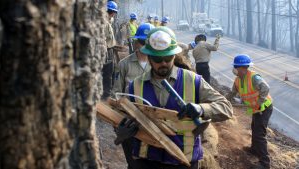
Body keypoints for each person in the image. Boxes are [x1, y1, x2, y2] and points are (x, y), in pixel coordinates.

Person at [114, 27, 233, 169]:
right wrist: (121, 131)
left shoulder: (193, 80)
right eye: (158, 59)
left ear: (174, 55)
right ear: (149, 57)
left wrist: (201, 108)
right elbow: (122, 119)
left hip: (184, 161)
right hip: (147, 162)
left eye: (168, 58)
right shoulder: (135, 87)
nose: (163, 63)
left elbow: (226, 108)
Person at [113, 23, 155, 169]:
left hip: (153, 122)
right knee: (134, 162)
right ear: (136, 42)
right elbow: (116, 93)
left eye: (148, 42)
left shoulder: (157, 65)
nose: (144, 46)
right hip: (130, 122)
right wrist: (117, 122)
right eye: (142, 42)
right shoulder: (124, 65)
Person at [226, 54, 273, 169]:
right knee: (254, 128)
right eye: (235, 66)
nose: (234, 69)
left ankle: (264, 163)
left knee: (259, 135)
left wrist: (259, 102)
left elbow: (265, 88)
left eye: (236, 67)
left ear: (243, 68)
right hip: (256, 109)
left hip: (264, 108)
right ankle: (254, 149)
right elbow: (232, 93)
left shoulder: (254, 77)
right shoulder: (237, 80)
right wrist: (224, 101)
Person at [102, 1, 118, 100]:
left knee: (111, 72)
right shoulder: (104, 22)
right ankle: (106, 95)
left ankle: (108, 92)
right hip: (107, 50)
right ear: (112, 12)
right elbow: (103, 38)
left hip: (110, 49)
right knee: (108, 73)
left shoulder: (108, 20)